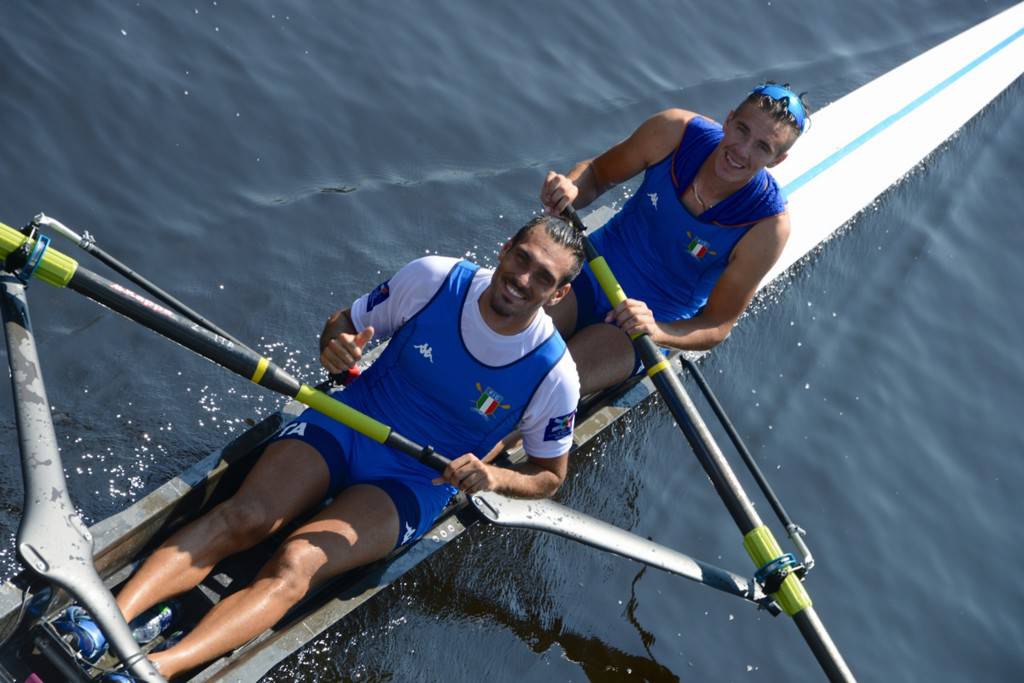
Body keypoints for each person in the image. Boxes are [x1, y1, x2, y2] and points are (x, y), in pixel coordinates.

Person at [73, 216, 584, 679]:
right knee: (248, 516)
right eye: (523, 259)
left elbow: (548, 476)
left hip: (412, 480)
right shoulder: (434, 279)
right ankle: (104, 618)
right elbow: (342, 324)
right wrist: (337, 347)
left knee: (296, 563)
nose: (523, 280)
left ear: (558, 295)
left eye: (544, 277)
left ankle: (153, 671)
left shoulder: (554, 374)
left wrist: (494, 478)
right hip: (349, 422)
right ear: (505, 248)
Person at [541, 83, 810, 394]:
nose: (742, 150)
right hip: (590, 270)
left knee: (550, 390)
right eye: (741, 130)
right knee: (509, 340)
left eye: (763, 147)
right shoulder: (672, 132)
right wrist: (572, 188)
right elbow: (598, 174)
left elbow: (717, 325)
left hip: (640, 324)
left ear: (778, 160)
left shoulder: (767, 228)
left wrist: (659, 331)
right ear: (728, 119)